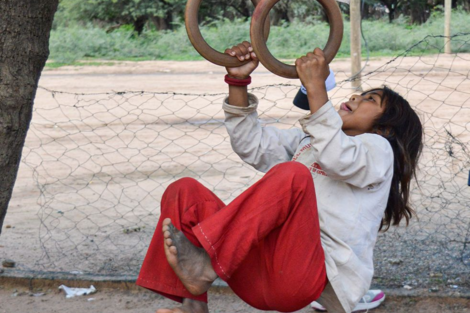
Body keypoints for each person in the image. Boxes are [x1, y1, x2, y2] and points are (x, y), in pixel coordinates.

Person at [136, 41, 423, 313]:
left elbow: (338, 157)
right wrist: (238, 82)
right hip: (258, 272)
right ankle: (193, 305)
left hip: (302, 279)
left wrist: (315, 88)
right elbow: (252, 144)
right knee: (184, 192)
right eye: (358, 94)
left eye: (369, 99)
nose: (354, 97)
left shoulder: (379, 151)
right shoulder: (309, 141)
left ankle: (207, 266)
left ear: (385, 129)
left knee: (292, 175)